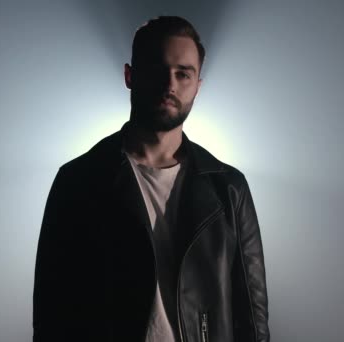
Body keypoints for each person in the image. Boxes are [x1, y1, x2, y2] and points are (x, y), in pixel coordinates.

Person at [33, 16, 270, 342]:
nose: (169, 84)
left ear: (198, 85)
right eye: (157, 69)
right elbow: (51, 315)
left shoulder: (228, 187)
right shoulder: (78, 182)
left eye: (183, 73)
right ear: (130, 76)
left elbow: (252, 319)